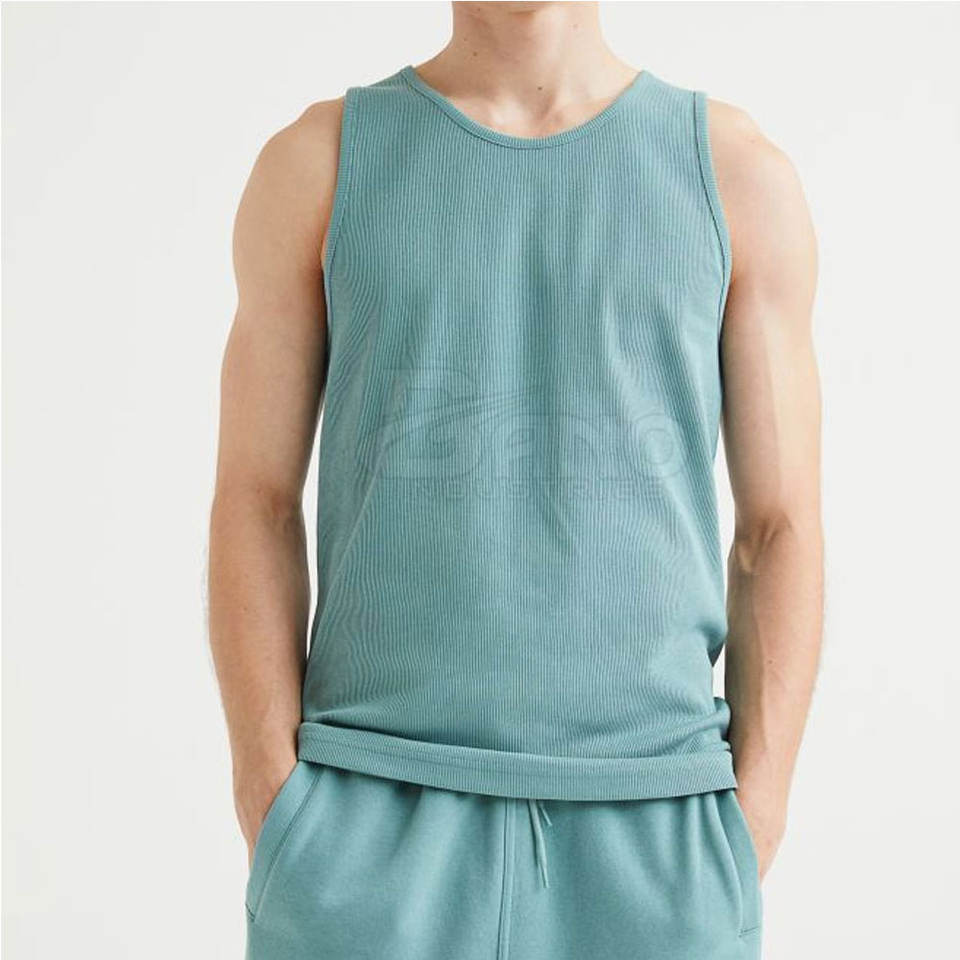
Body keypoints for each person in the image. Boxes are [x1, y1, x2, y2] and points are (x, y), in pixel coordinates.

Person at [208, 3, 822, 958]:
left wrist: (757, 814)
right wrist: (270, 790)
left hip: (657, 831)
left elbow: (777, 527)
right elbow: (255, 497)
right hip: (366, 821)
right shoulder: (319, 163)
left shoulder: (736, 174)